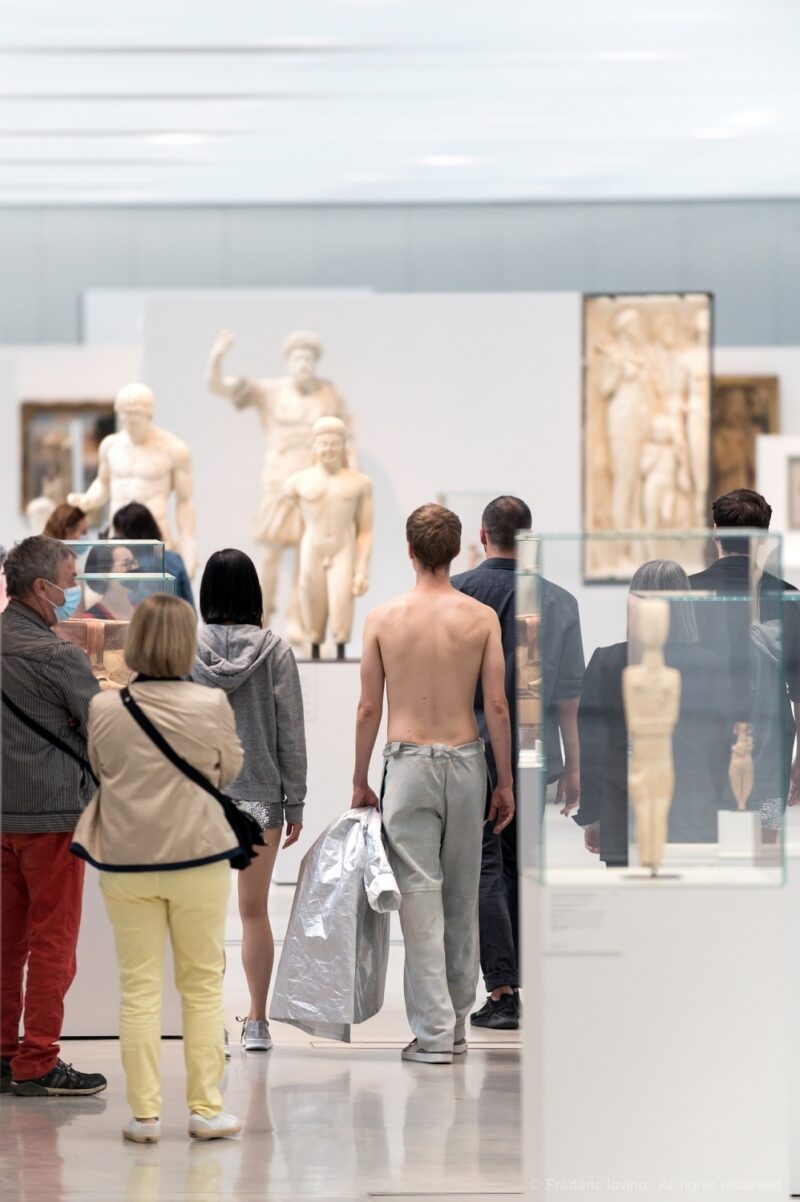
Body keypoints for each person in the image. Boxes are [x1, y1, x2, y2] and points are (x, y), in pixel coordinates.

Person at [71, 594, 245, 1143]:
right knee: (200, 988)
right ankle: (205, 1109)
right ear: (185, 642)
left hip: (126, 859)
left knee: (139, 988)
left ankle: (144, 1115)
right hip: (198, 856)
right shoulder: (211, 704)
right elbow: (228, 769)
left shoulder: (105, 708)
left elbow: (101, 770)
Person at [352, 503, 515, 1065]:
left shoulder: (382, 618)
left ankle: (434, 1033)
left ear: (410, 551)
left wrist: (358, 778)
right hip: (468, 761)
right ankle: (459, 1022)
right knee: (461, 895)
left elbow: (369, 707)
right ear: (458, 549)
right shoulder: (480, 618)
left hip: (408, 763)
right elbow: (495, 704)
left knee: (418, 900)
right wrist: (506, 781)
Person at [452, 496, 584, 1031]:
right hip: (534, 749)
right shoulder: (559, 600)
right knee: (523, 863)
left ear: (484, 536)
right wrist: (575, 763)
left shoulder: (460, 593)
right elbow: (570, 694)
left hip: (472, 747)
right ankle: (523, 980)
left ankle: (503, 989)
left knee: (484, 864)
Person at [0, 535, 106, 1097]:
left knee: (6, 943)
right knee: (52, 945)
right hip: (54, 817)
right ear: (42, 588)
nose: (74, 588)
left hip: (3, 815)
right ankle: (38, 1058)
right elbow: (101, 730)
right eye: (69, 576)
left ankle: (2, 1053)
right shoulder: (60, 657)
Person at [192, 549, 307, 1053]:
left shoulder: (186, 648)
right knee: (254, 913)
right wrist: (296, 800)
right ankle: (257, 1023)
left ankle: (205, 1022)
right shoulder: (276, 651)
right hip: (260, 798)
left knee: (203, 913)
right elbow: (290, 733)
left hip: (201, 796)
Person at [576, 560, 727, 866]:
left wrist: (593, 815)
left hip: (623, 806)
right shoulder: (711, 665)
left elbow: (593, 749)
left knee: (629, 909)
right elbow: (721, 748)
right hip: (694, 807)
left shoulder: (607, 661)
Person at [689, 488, 800, 808]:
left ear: (714, 533)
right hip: (771, 748)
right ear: (763, 538)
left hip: (700, 746)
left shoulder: (683, 592)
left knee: (709, 847)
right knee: (768, 842)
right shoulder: (789, 599)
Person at [111, 500, 195, 609]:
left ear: (131, 534)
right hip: (175, 623)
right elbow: (189, 607)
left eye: (119, 534)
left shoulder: (129, 566)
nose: (117, 539)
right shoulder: (174, 560)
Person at [82, 542, 140, 620]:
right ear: (104, 575)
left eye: (134, 562)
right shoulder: (90, 619)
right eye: (126, 564)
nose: (134, 568)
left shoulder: (141, 610)